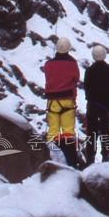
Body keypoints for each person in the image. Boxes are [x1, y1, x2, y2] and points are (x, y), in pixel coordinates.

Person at [43, 37, 80, 168]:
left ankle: (51, 158)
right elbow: (76, 78)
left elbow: (48, 76)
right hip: (68, 101)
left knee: (53, 131)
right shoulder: (73, 64)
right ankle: (70, 161)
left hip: (53, 101)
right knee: (68, 132)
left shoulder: (48, 64)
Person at [83, 45, 109, 166]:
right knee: (106, 132)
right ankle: (106, 157)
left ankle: (90, 158)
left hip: (92, 105)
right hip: (106, 106)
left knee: (91, 132)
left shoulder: (89, 70)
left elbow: (86, 88)